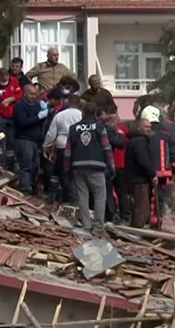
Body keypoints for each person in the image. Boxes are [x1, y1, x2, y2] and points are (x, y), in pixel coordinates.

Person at [65, 102, 115, 233]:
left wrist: (67, 168)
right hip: (96, 166)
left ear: (82, 113)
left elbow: (68, 150)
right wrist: (112, 165)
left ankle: (86, 225)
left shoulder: (73, 128)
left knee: (83, 196)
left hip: (78, 166)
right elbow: (106, 147)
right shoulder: (100, 127)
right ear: (95, 113)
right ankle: (98, 227)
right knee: (99, 196)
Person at [141, 106, 175, 226]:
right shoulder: (166, 134)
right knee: (159, 199)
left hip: (148, 172)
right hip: (164, 173)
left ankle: (151, 222)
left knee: (149, 198)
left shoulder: (146, 134)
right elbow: (174, 155)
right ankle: (158, 221)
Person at [43, 92, 83, 203]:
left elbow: (51, 134)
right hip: (77, 147)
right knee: (72, 173)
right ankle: (71, 197)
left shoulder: (60, 115)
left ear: (67, 102)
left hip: (62, 145)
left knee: (60, 171)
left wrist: (46, 146)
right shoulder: (81, 115)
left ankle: (56, 195)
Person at [0, 68, 24, 172]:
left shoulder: (14, 82)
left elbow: (20, 95)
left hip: (11, 117)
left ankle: (10, 165)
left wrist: (10, 99)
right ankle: (0, 163)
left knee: (10, 141)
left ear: (8, 76)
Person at [14, 84, 48, 194]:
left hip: (35, 140)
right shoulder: (20, 106)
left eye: (35, 94)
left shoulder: (37, 105)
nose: (33, 96)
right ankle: (25, 188)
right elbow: (23, 121)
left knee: (35, 166)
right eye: (31, 94)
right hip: (24, 139)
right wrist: (38, 117)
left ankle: (33, 187)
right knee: (26, 165)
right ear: (25, 93)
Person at [125, 119, 158, 228]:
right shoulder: (140, 141)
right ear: (139, 127)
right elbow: (143, 159)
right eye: (146, 127)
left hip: (135, 179)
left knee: (138, 207)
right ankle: (136, 232)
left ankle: (134, 229)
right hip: (139, 180)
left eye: (149, 127)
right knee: (142, 209)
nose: (148, 129)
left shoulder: (135, 140)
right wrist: (153, 174)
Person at [107, 107, 132, 223]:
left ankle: (118, 214)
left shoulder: (119, 131)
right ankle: (124, 214)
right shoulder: (123, 131)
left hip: (116, 165)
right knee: (121, 191)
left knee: (114, 191)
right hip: (120, 165)